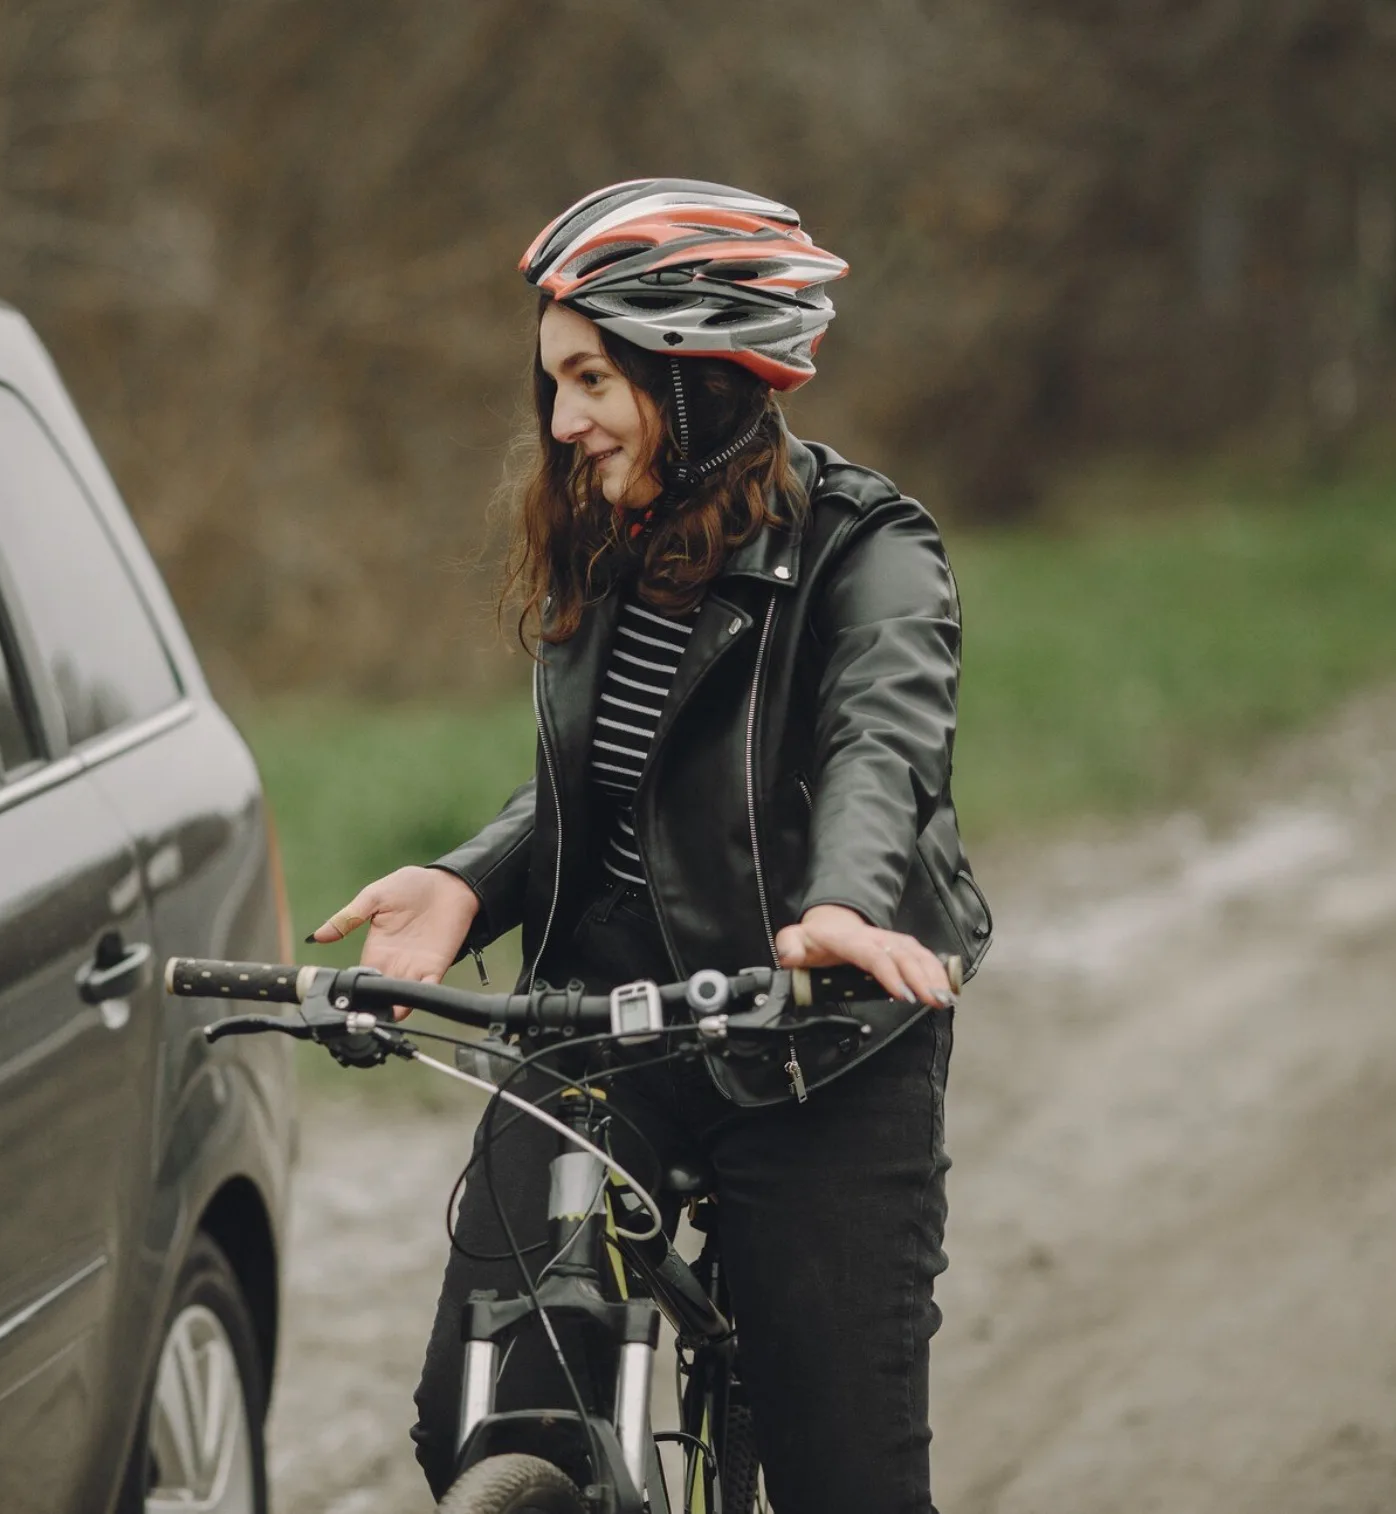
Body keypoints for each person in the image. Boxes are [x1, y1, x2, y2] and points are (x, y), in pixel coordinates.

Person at [311, 180, 991, 1510]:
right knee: (484, 1423)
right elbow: (604, 788)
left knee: (844, 1473)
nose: (562, 423)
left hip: (814, 1037)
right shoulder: (612, 540)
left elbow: (883, 747)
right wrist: (465, 879)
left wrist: (843, 905)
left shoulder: (872, 552)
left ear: (696, 380)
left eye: (592, 381)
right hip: (601, 1023)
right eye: (554, 383)